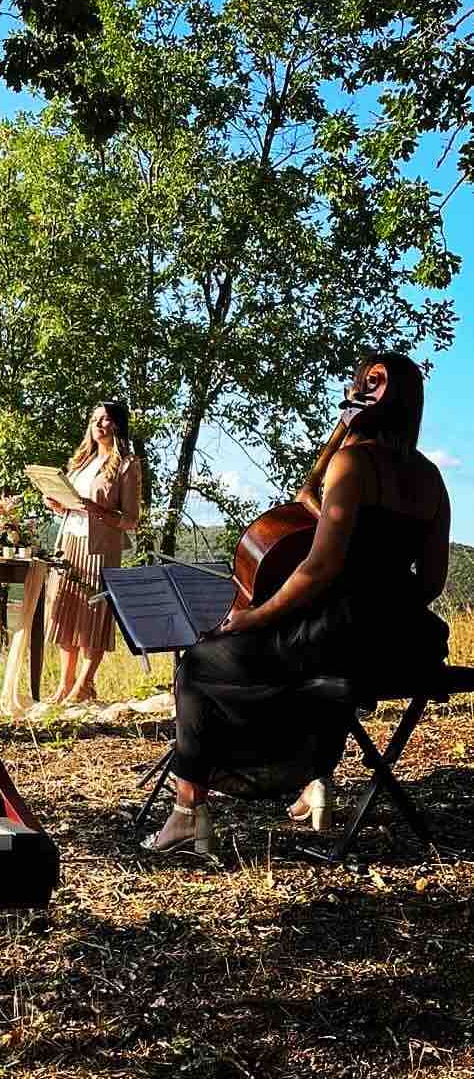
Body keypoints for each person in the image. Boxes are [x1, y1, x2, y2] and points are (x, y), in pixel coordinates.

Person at [143, 353, 451, 854]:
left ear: (371, 394)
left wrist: (252, 617)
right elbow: (432, 581)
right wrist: (386, 608)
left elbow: (319, 568)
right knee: (296, 671)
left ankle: (186, 812)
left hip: (338, 633)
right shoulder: (431, 479)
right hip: (404, 641)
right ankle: (314, 778)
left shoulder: (355, 462)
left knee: (200, 662)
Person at [42, 401, 142, 703]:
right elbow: (74, 506)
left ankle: (84, 683)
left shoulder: (127, 464)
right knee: (65, 611)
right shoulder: (81, 462)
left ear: (118, 426)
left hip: (100, 548)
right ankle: (65, 684)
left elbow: (130, 520)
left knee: (93, 614)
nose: (99, 424)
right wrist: (60, 506)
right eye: (95, 419)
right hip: (70, 541)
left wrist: (98, 510)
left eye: (106, 419)